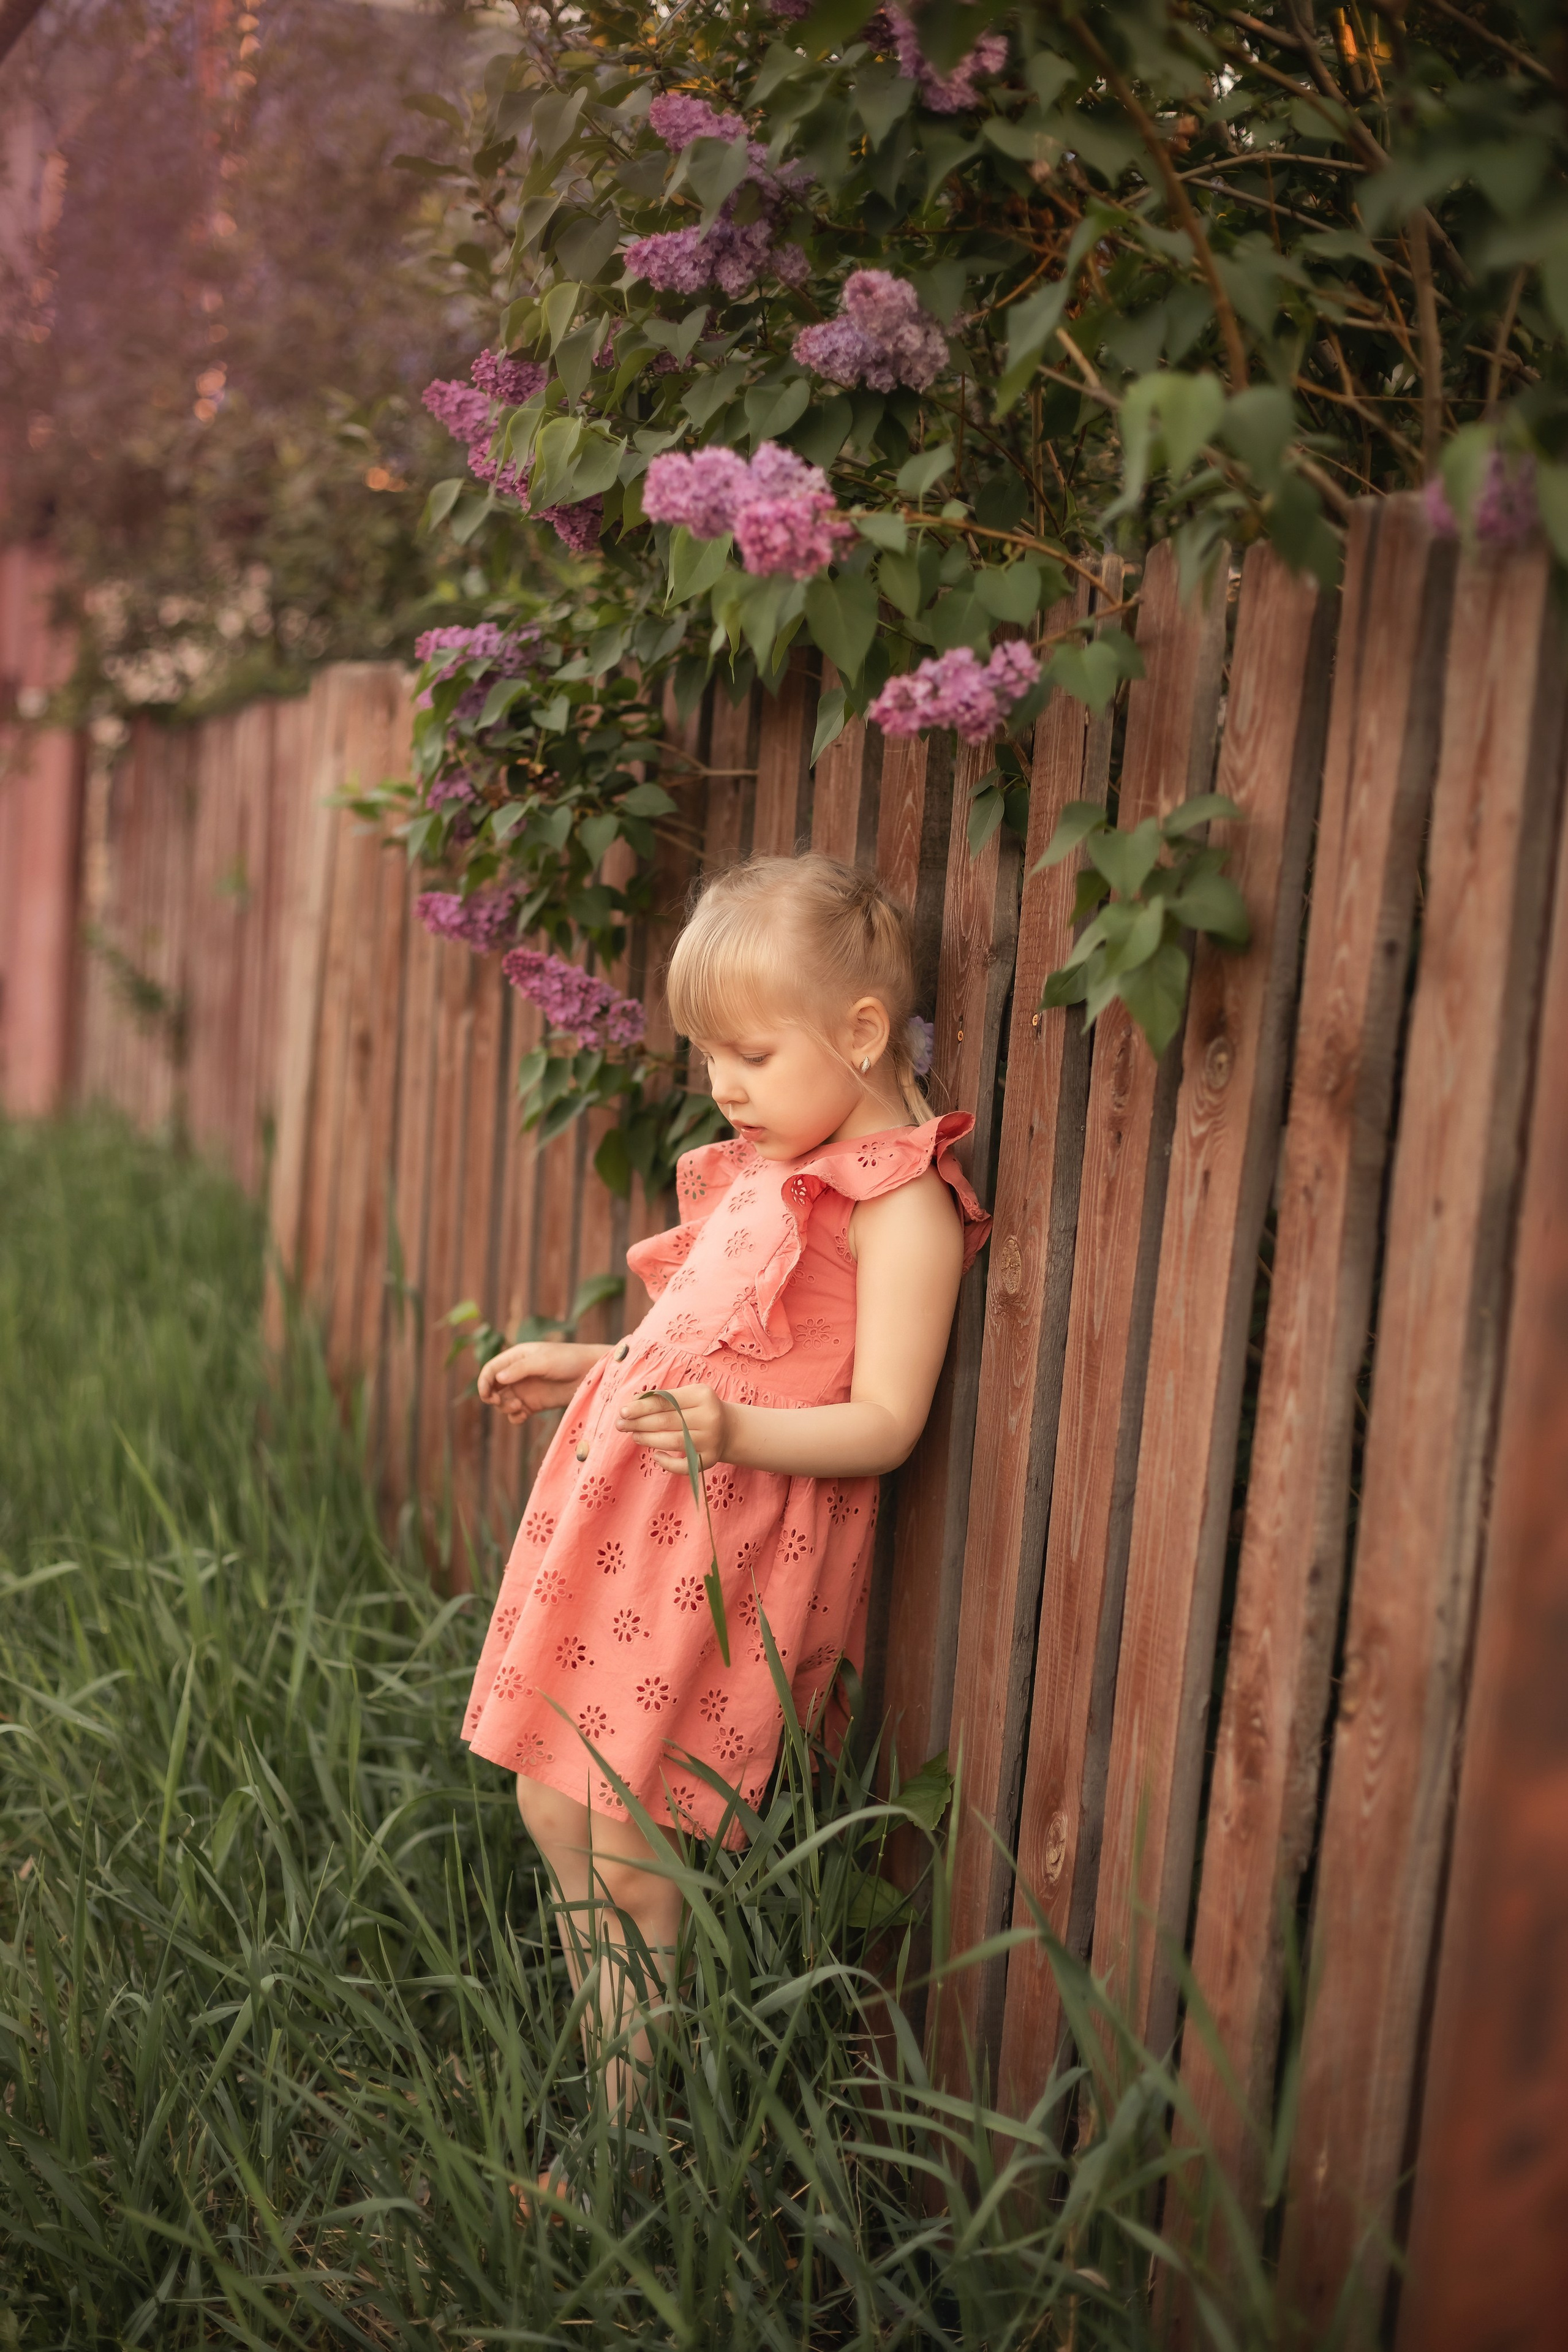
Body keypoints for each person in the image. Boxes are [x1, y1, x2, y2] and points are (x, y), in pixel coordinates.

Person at [465, 851, 989, 2169]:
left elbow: (884, 1421)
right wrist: (591, 1359)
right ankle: (608, 2066)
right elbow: (705, 1340)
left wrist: (734, 1434)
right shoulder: (769, 1165)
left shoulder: (898, 1208)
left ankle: (626, 2140)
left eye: (750, 1054)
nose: (722, 1087)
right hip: (630, 1514)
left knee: (635, 1843)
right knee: (551, 1803)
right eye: (707, 1056)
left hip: (722, 1545)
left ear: (862, 1033)